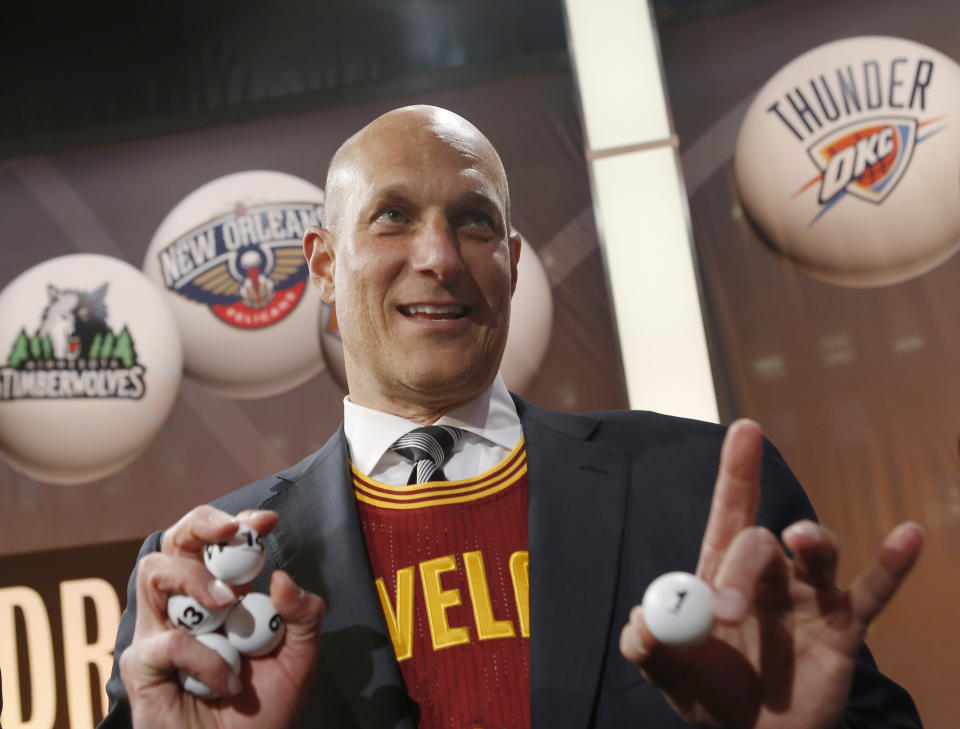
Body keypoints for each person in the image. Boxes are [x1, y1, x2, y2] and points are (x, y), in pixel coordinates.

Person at [100, 105, 924, 729]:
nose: (440, 257)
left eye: (474, 221)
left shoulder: (698, 488)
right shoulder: (209, 583)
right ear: (322, 264)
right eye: (392, 215)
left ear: (513, 265)